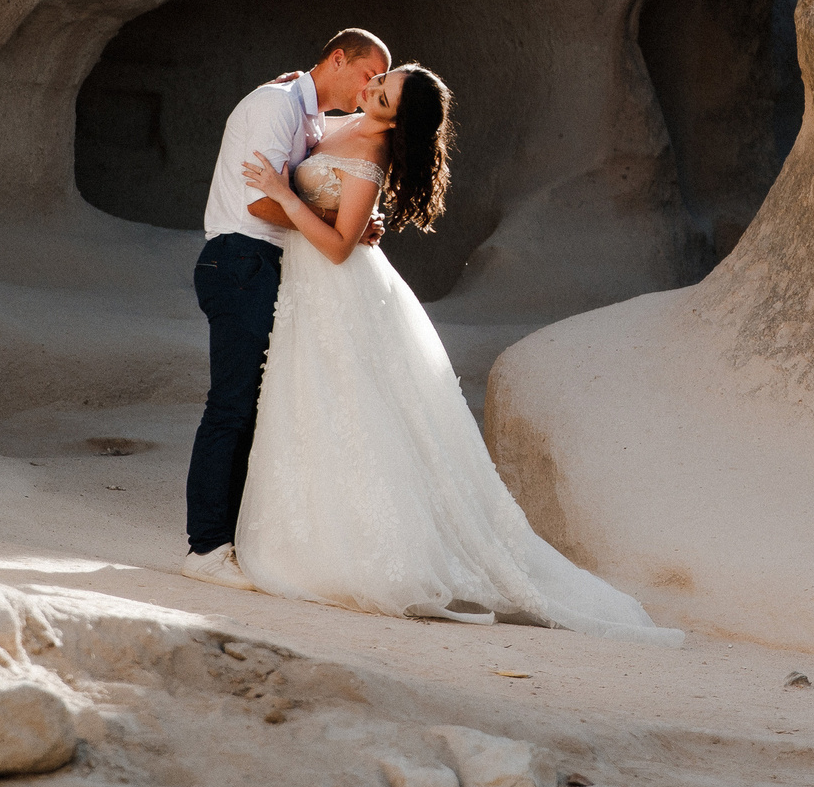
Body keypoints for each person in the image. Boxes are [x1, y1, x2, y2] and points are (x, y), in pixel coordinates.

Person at [230, 62, 680, 645]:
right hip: (309, 289)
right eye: (379, 81)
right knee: (313, 405)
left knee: (355, 413)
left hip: (337, 286)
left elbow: (341, 247)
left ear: (395, 120)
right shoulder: (343, 123)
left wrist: (282, 195)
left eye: (383, 95)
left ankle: (372, 555)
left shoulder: (370, 159)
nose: (371, 89)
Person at [180, 28, 391, 587]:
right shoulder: (275, 106)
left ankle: (231, 542)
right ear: (338, 59)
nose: (372, 87)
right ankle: (204, 549)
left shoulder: (313, 118)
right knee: (230, 406)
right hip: (238, 258)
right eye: (369, 75)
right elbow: (259, 200)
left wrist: (352, 219)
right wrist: (337, 226)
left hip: (267, 265)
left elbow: (355, 158)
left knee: (256, 409)